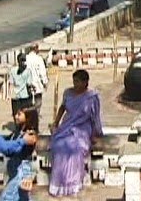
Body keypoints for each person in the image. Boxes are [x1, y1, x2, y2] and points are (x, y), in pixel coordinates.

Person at [48, 69, 103, 197]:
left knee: (75, 147)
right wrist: (56, 122)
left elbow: (95, 116)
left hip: (83, 127)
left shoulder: (92, 97)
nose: (75, 83)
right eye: (74, 81)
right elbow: (62, 108)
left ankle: (73, 182)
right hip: (67, 125)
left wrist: (95, 133)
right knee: (59, 145)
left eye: (77, 81)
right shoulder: (68, 93)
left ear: (85, 82)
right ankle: (59, 184)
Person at [0, 107, 39, 201]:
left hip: (21, 170)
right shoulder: (19, 131)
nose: (16, 116)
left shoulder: (30, 134)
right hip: (14, 169)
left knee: (7, 197)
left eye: (19, 114)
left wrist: (23, 141)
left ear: (28, 117)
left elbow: (18, 148)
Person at [25, 45, 48, 115]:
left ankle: (29, 115)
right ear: (36, 49)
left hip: (27, 84)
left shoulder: (25, 58)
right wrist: (45, 82)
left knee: (29, 102)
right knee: (38, 101)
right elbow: (42, 72)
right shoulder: (39, 59)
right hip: (37, 83)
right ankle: (36, 115)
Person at [9, 53, 34, 118]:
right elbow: (29, 83)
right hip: (25, 96)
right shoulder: (28, 71)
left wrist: (9, 95)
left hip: (15, 96)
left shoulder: (12, 70)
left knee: (16, 114)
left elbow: (11, 84)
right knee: (25, 114)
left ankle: (17, 127)